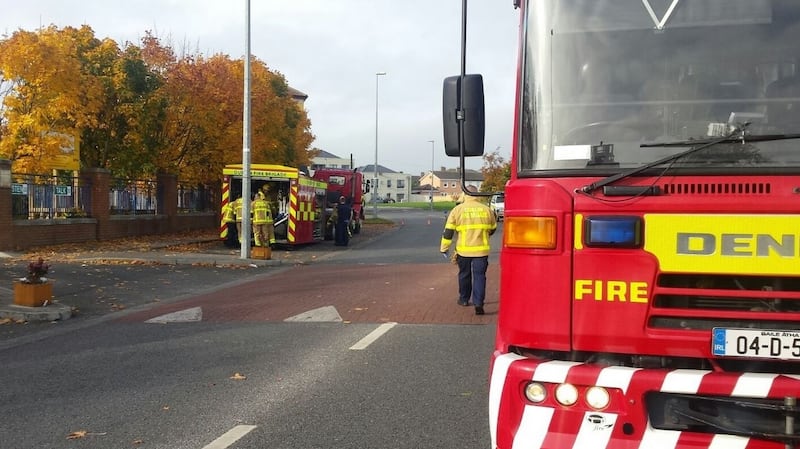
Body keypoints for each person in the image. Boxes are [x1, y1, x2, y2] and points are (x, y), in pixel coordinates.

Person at [440, 185, 497, 315]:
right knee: (480, 276)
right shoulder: (487, 210)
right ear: (477, 195)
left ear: (465, 194)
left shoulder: (457, 210)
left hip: (463, 251)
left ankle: (464, 299)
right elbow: (493, 228)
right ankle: (478, 303)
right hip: (481, 250)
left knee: (464, 274)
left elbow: (448, 232)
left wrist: (444, 248)